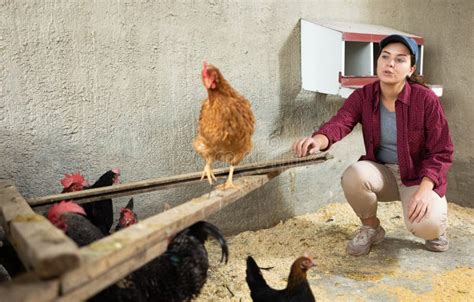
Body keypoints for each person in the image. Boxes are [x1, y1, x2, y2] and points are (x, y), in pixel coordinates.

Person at [293, 34, 453, 256]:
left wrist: (425, 191)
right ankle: (371, 227)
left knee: (427, 225)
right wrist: (317, 141)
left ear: (411, 69)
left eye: (400, 59)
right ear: (377, 62)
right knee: (354, 174)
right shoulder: (364, 97)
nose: (390, 64)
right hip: (383, 172)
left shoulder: (425, 100)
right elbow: (340, 123)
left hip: (417, 177)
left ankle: (436, 230)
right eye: (385, 57)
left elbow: (441, 151)